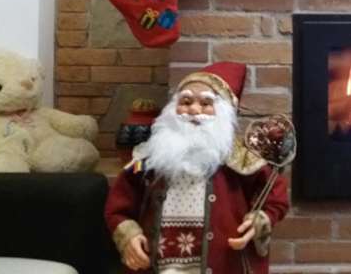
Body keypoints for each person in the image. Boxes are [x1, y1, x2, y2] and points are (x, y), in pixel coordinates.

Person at [105, 62, 289, 274]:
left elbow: (275, 195)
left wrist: (259, 221)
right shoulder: (149, 160)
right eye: (186, 101)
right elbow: (118, 207)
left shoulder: (241, 160)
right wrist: (129, 235)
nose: (193, 110)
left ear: (223, 112)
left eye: (205, 103)